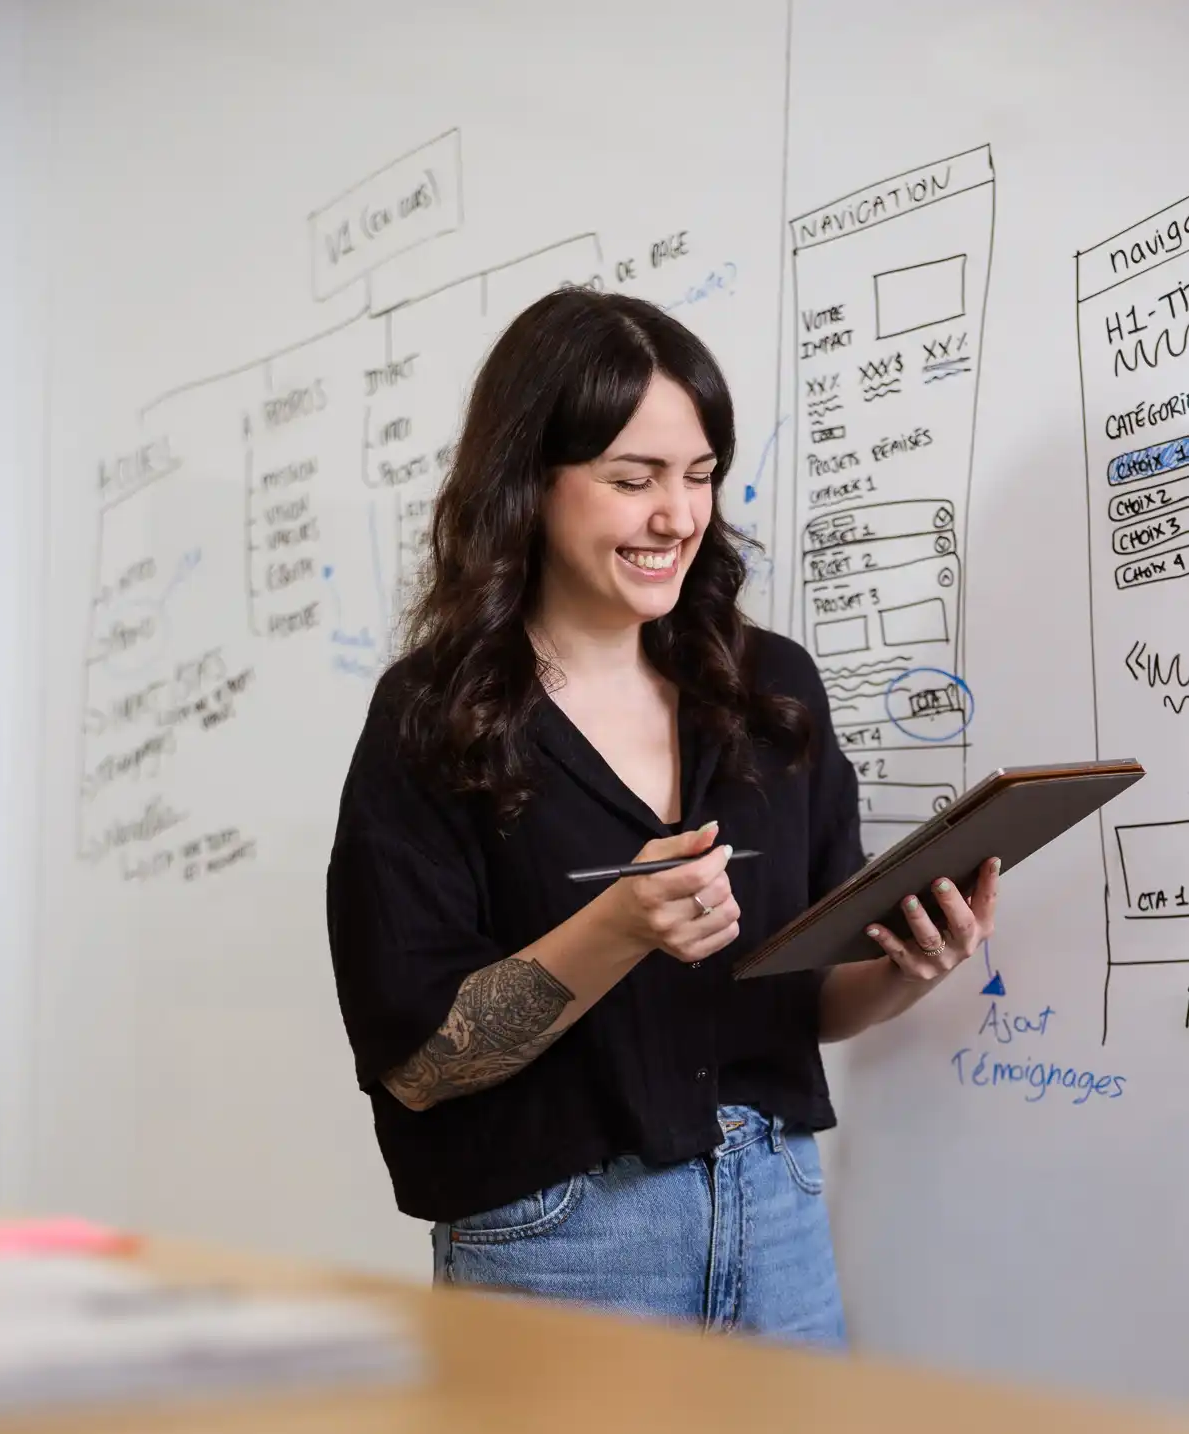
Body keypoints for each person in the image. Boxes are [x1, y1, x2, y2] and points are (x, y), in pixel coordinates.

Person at [326, 289, 999, 1345]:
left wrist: (910, 968)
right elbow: (422, 1062)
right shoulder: (434, 717)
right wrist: (620, 926)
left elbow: (810, 996)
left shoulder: (773, 690)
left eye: (699, 474)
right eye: (631, 479)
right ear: (529, 481)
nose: (678, 517)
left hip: (778, 1218)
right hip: (559, 1244)